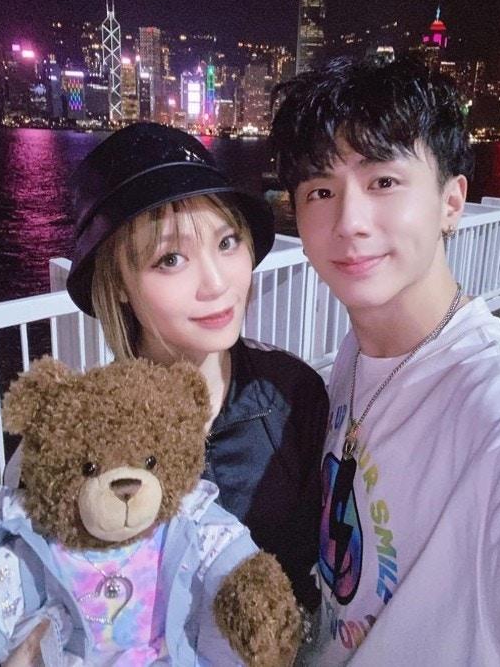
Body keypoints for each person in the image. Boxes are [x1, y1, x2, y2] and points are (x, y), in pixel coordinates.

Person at [269, 58, 500, 666]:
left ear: (451, 201)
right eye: (321, 191)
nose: (349, 223)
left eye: (383, 182)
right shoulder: (359, 350)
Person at [65, 121, 328, 612]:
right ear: (117, 283)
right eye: (170, 259)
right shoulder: (82, 433)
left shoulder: (294, 396)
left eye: (227, 243)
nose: (216, 283)